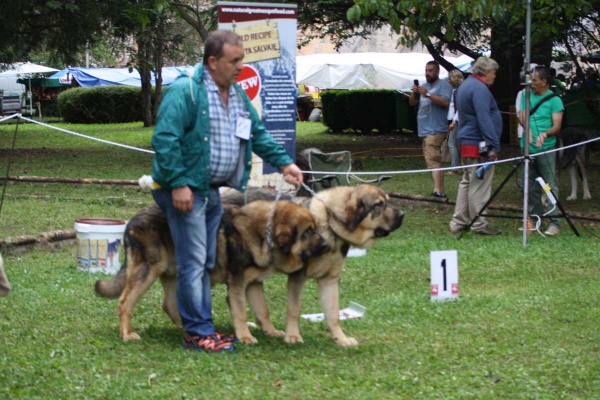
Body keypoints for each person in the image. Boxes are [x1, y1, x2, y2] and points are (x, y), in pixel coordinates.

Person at [151, 30, 303, 353]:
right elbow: (165, 140)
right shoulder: (186, 92)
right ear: (213, 61)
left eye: (242, 59)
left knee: (205, 261)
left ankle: (202, 326)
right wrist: (178, 183)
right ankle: (197, 333)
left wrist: (285, 164)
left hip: (209, 192)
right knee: (193, 261)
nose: (240, 66)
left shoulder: (236, 95)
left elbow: (257, 134)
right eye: (234, 60)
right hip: (184, 191)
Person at [449, 57, 502, 235]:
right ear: (486, 72)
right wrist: (493, 145)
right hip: (480, 143)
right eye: (494, 73)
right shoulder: (480, 88)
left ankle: (458, 222)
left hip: (465, 141)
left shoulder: (465, 85)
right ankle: (479, 224)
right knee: (479, 182)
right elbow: (484, 118)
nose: (495, 76)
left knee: (467, 181)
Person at [519, 66, 564, 236]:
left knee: (549, 186)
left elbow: (557, 126)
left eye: (534, 80)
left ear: (544, 82)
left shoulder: (555, 100)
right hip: (527, 148)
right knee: (529, 187)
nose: (531, 83)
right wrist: (528, 129)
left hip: (546, 149)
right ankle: (535, 219)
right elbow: (522, 115)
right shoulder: (525, 94)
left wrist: (545, 134)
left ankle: (554, 222)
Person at [410, 61, 453, 198]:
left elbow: (446, 102)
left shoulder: (444, 85)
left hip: (436, 129)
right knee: (433, 160)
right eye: (426, 70)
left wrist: (428, 94)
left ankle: (437, 191)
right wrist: (414, 93)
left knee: (433, 159)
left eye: (430, 70)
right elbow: (412, 103)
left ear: (437, 71)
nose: (427, 73)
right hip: (424, 129)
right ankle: (440, 189)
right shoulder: (423, 86)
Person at [446, 69, 465, 175]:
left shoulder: (460, 90)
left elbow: (460, 108)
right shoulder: (455, 90)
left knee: (452, 143)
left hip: (459, 121)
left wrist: (453, 121)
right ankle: (459, 166)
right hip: (456, 120)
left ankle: (455, 168)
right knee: (456, 144)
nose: (449, 81)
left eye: (450, 79)